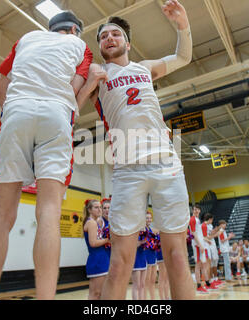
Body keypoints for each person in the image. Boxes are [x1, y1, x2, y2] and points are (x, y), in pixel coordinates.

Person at [76, 0, 195, 300]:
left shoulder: (145, 68)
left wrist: (183, 25)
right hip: (127, 171)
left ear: (127, 42)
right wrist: (90, 81)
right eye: (103, 36)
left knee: (178, 258)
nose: (109, 39)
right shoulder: (98, 74)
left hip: (166, 164)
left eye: (115, 34)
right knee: (119, 265)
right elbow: (71, 111)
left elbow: (183, 56)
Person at [0, 11, 93, 300]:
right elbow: (74, 93)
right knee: (49, 214)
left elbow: (0, 88)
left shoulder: (25, 39)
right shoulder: (82, 48)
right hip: (55, 113)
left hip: (17, 109)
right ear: (74, 31)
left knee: (2, 215)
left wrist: (16, 116)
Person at [83, 199, 110, 299]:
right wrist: (108, 239)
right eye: (96, 207)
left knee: (100, 293)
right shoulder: (91, 223)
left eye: (100, 207)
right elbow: (93, 243)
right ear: (89, 210)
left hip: (101, 259)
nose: (100, 209)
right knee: (96, 293)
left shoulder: (95, 222)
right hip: (97, 260)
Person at [144, 212, 158, 300]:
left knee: (153, 281)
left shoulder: (152, 230)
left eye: (150, 218)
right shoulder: (143, 230)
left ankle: (153, 298)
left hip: (153, 255)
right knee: (146, 281)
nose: (149, 219)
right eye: (147, 218)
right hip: (146, 256)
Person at [131, 228, 147, 300]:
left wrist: (148, 242)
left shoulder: (145, 230)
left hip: (143, 258)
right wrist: (141, 242)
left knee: (142, 284)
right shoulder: (132, 230)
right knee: (136, 285)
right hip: (135, 259)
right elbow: (132, 244)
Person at [155, 231, 170, 300]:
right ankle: (162, 298)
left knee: (167, 277)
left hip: (167, 253)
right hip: (160, 254)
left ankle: (167, 297)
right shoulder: (156, 230)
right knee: (162, 277)